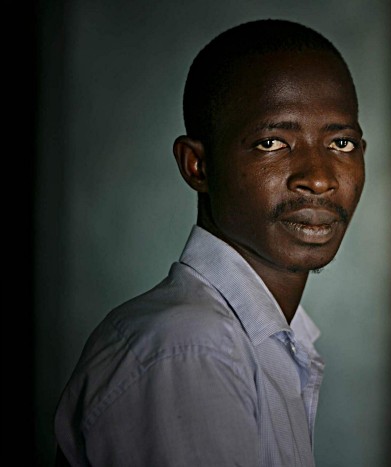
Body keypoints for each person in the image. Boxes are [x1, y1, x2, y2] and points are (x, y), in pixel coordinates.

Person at [54, 19, 366, 466]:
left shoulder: (265, 338)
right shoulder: (189, 349)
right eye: (272, 142)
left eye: (341, 143)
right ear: (197, 166)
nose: (318, 178)